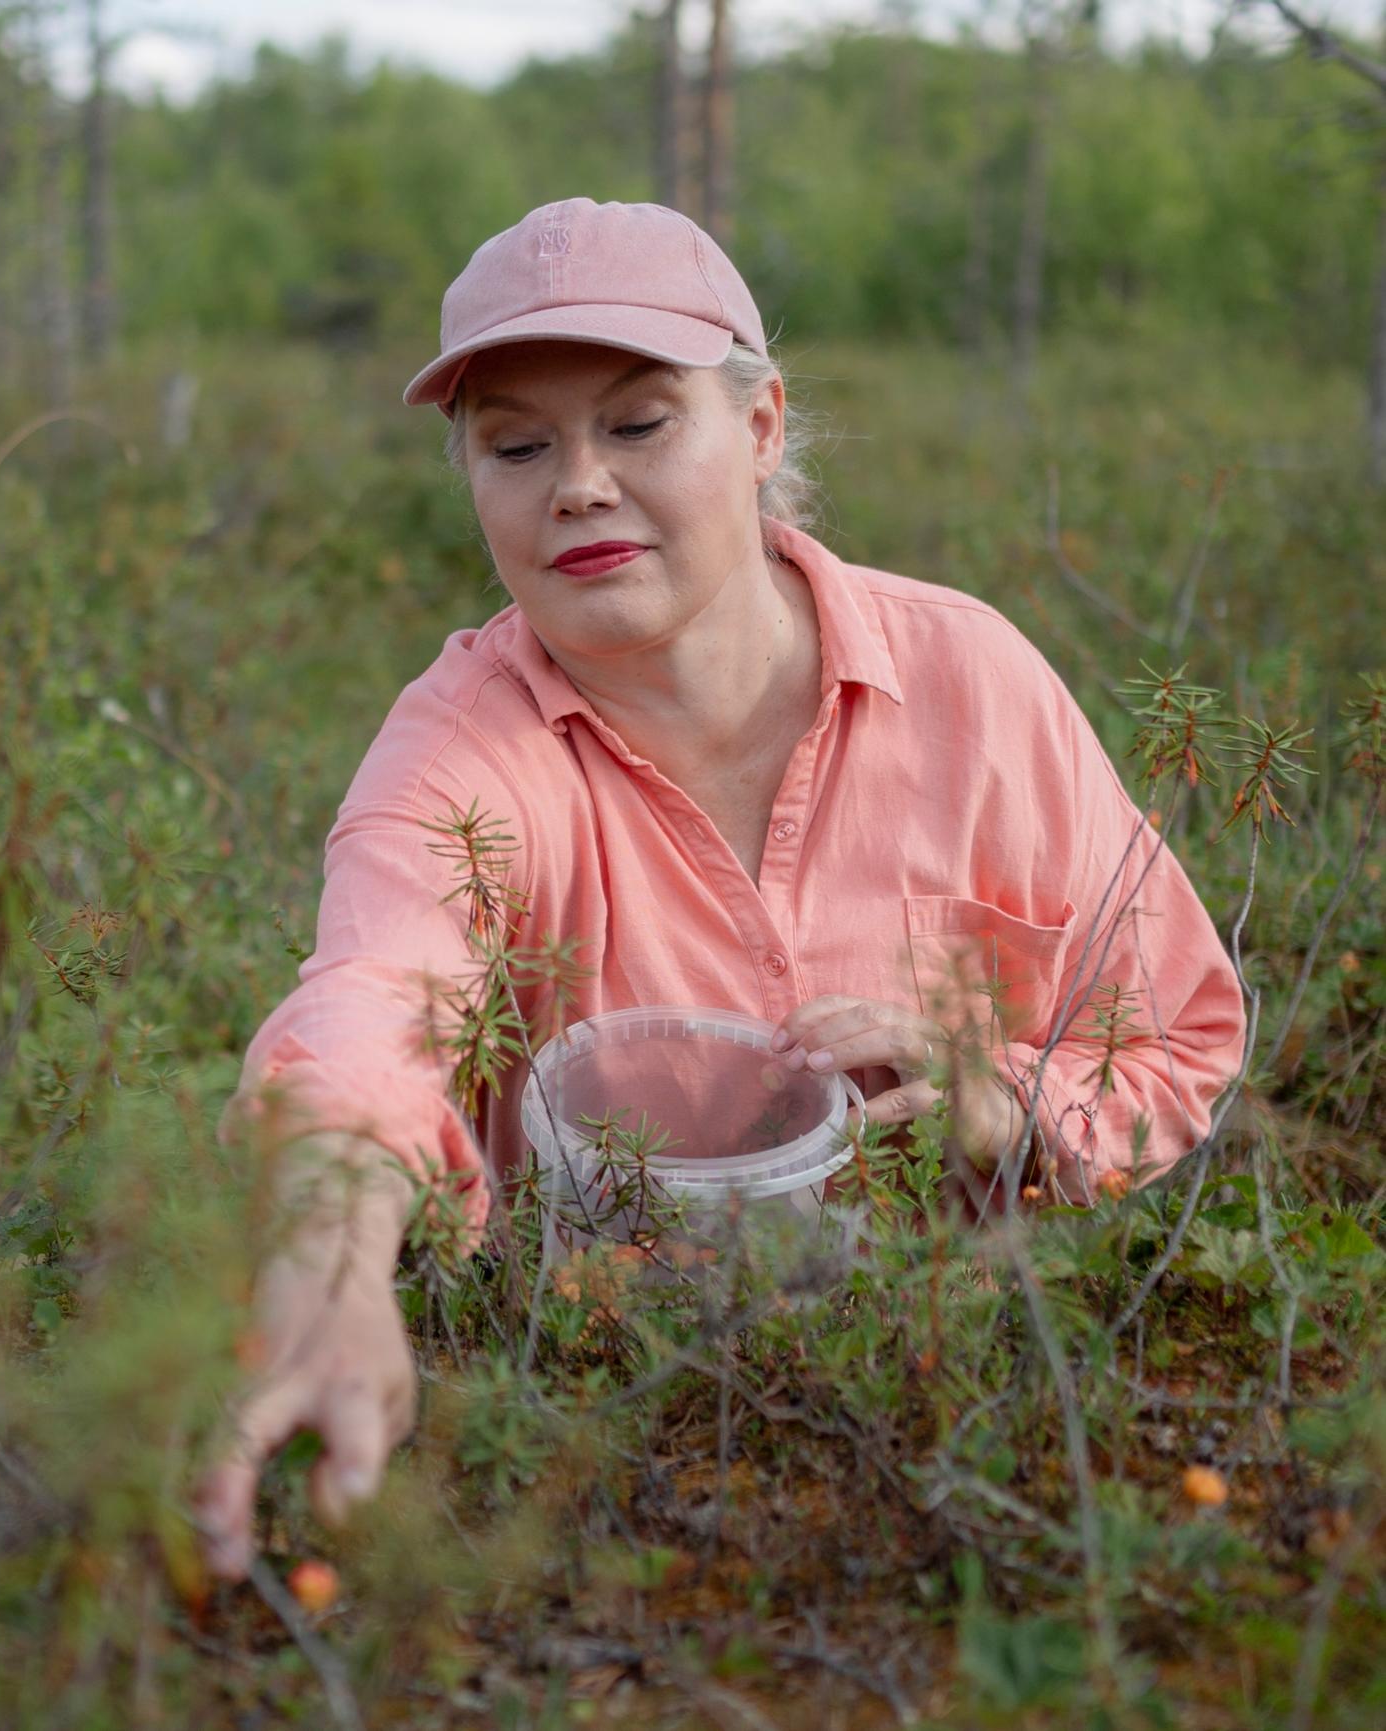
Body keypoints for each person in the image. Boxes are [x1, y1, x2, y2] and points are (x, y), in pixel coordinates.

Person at [187, 197, 1248, 1581]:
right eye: (516, 445)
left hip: (991, 1475)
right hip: (597, 1499)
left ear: (759, 427)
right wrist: (329, 1262)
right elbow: (373, 998)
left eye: (637, 423)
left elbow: (1173, 1035)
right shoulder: (460, 754)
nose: (577, 485)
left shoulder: (972, 682)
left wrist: (1008, 1106)